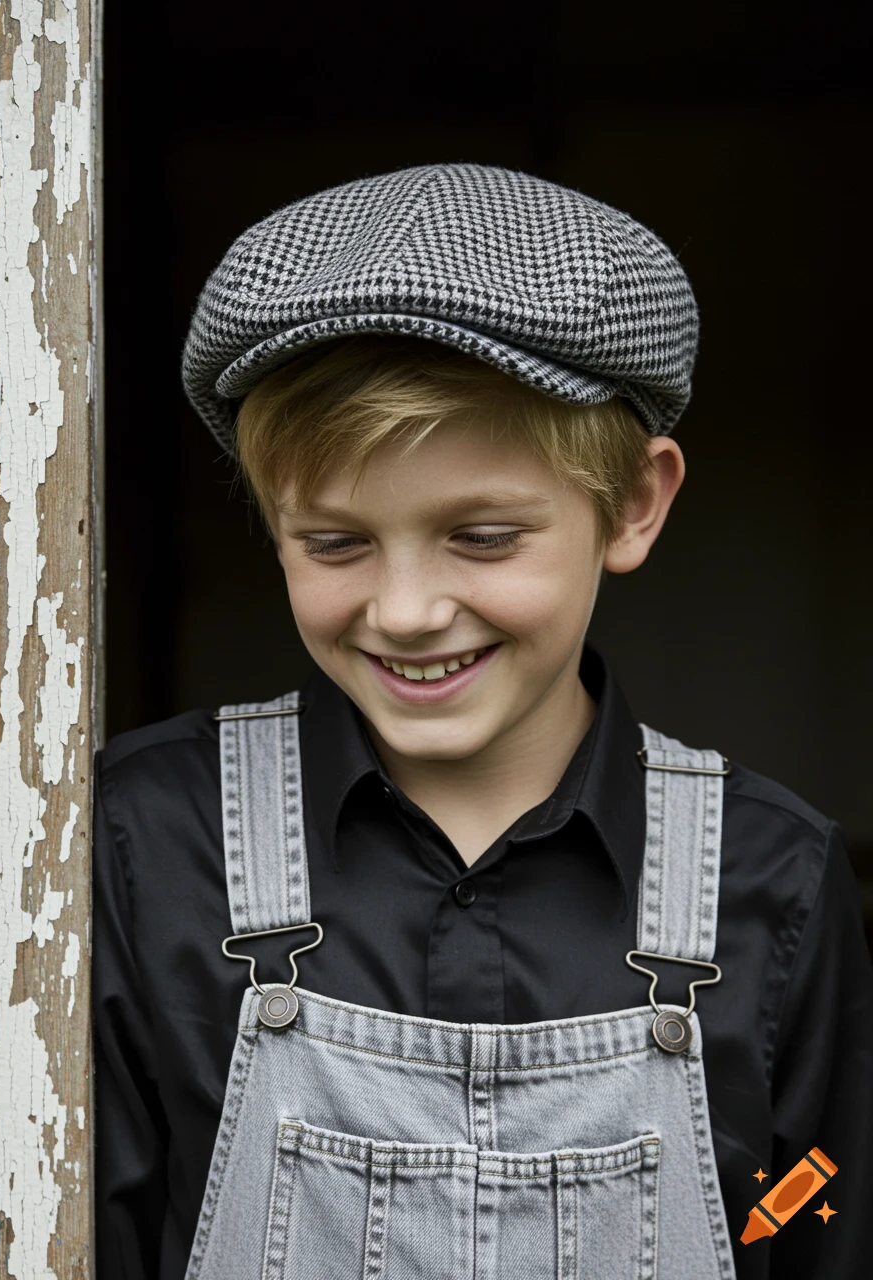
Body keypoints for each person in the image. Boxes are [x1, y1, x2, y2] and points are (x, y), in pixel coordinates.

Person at [92, 163, 873, 1279]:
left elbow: (809, 1215)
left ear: (634, 502)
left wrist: (767, 1223)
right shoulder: (146, 840)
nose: (406, 611)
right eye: (334, 542)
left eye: (482, 537)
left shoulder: (775, 877)